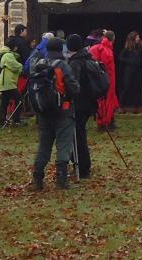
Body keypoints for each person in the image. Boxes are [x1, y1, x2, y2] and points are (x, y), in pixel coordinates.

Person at [31, 37, 80, 190]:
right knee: (63, 145)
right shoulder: (62, 66)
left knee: (44, 146)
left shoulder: (39, 64)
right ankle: (61, 179)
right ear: (61, 49)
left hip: (43, 112)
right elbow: (73, 88)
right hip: (63, 110)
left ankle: (37, 179)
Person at [65, 35, 95, 179]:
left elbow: (73, 85)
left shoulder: (76, 62)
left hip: (79, 104)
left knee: (77, 136)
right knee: (80, 134)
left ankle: (82, 167)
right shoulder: (88, 58)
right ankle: (83, 164)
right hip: (89, 103)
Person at [90, 30, 119, 130]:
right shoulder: (107, 50)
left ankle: (109, 121)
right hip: (107, 80)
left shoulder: (101, 48)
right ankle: (105, 123)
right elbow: (106, 68)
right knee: (106, 101)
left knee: (107, 101)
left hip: (105, 80)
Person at [0, 37, 24, 128]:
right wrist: (21, 66)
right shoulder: (8, 55)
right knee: (19, 100)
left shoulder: (6, 54)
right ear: (14, 47)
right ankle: (15, 120)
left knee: (4, 102)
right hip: (8, 82)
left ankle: (3, 121)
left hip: (6, 82)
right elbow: (14, 66)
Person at [118, 31, 142, 113]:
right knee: (126, 87)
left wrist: (140, 62)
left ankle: (136, 107)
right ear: (133, 38)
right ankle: (121, 106)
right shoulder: (128, 48)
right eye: (137, 37)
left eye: (138, 37)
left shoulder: (141, 46)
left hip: (138, 70)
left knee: (137, 88)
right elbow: (120, 57)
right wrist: (129, 61)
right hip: (129, 70)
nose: (138, 38)